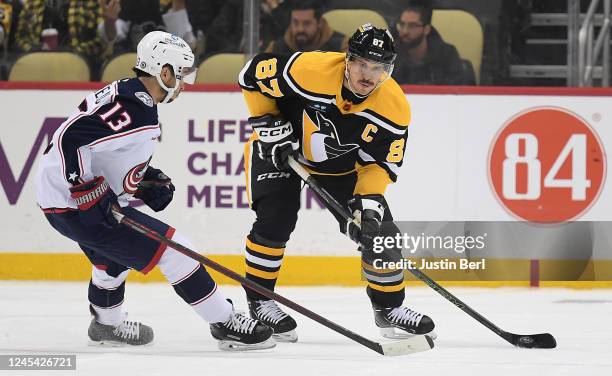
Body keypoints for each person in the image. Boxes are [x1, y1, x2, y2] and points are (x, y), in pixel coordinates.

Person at [35, 31, 273, 351]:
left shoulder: (132, 95)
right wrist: (84, 187)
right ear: (164, 72)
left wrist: (138, 180)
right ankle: (225, 322)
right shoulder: (136, 108)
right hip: (73, 203)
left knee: (111, 258)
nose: (186, 82)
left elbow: (102, 146)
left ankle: (107, 325)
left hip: (60, 200)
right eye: (183, 73)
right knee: (176, 250)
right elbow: (70, 140)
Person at [238, 23, 436, 342]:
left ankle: (388, 309)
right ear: (347, 60)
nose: (368, 75)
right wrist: (268, 125)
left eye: (378, 68)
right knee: (276, 218)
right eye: (361, 64)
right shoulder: (309, 70)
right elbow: (250, 75)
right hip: (280, 150)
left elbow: (379, 165)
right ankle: (260, 300)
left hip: (339, 168)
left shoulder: (394, 107)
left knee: (381, 232)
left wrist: (366, 208)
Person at [391, 0, 475, 85]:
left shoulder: (447, 54)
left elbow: (455, 90)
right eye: (401, 24)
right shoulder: (391, 55)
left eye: (412, 26)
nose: (405, 31)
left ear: (426, 30)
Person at [264, 0, 347, 53]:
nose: (300, 29)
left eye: (306, 23)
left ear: (320, 23)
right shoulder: (275, 49)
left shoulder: (342, 46)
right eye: (295, 23)